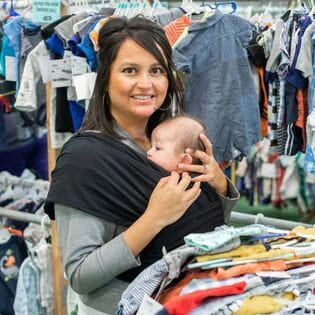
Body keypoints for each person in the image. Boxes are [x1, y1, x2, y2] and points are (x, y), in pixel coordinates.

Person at [44, 16, 240, 314]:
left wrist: (218, 184)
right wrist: (154, 218)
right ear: (105, 78)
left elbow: (206, 227)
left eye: (157, 70)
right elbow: (81, 277)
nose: (146, 83)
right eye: (130, 70)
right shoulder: (84, 160)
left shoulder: (173, 139)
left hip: (191, 301)